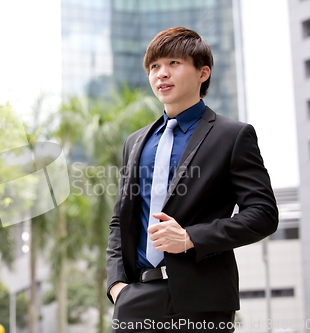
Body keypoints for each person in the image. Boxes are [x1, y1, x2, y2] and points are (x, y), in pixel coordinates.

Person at [106, 27, 278, 332]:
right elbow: (121, 220)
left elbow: (263, 215)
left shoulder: (233, 136)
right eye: (154, 66)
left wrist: (190, 238)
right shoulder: (135, 143)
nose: (161, 74)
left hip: (204, 301)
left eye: (174, 63)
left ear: (203, 73)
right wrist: (117, 285)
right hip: (136, 298)